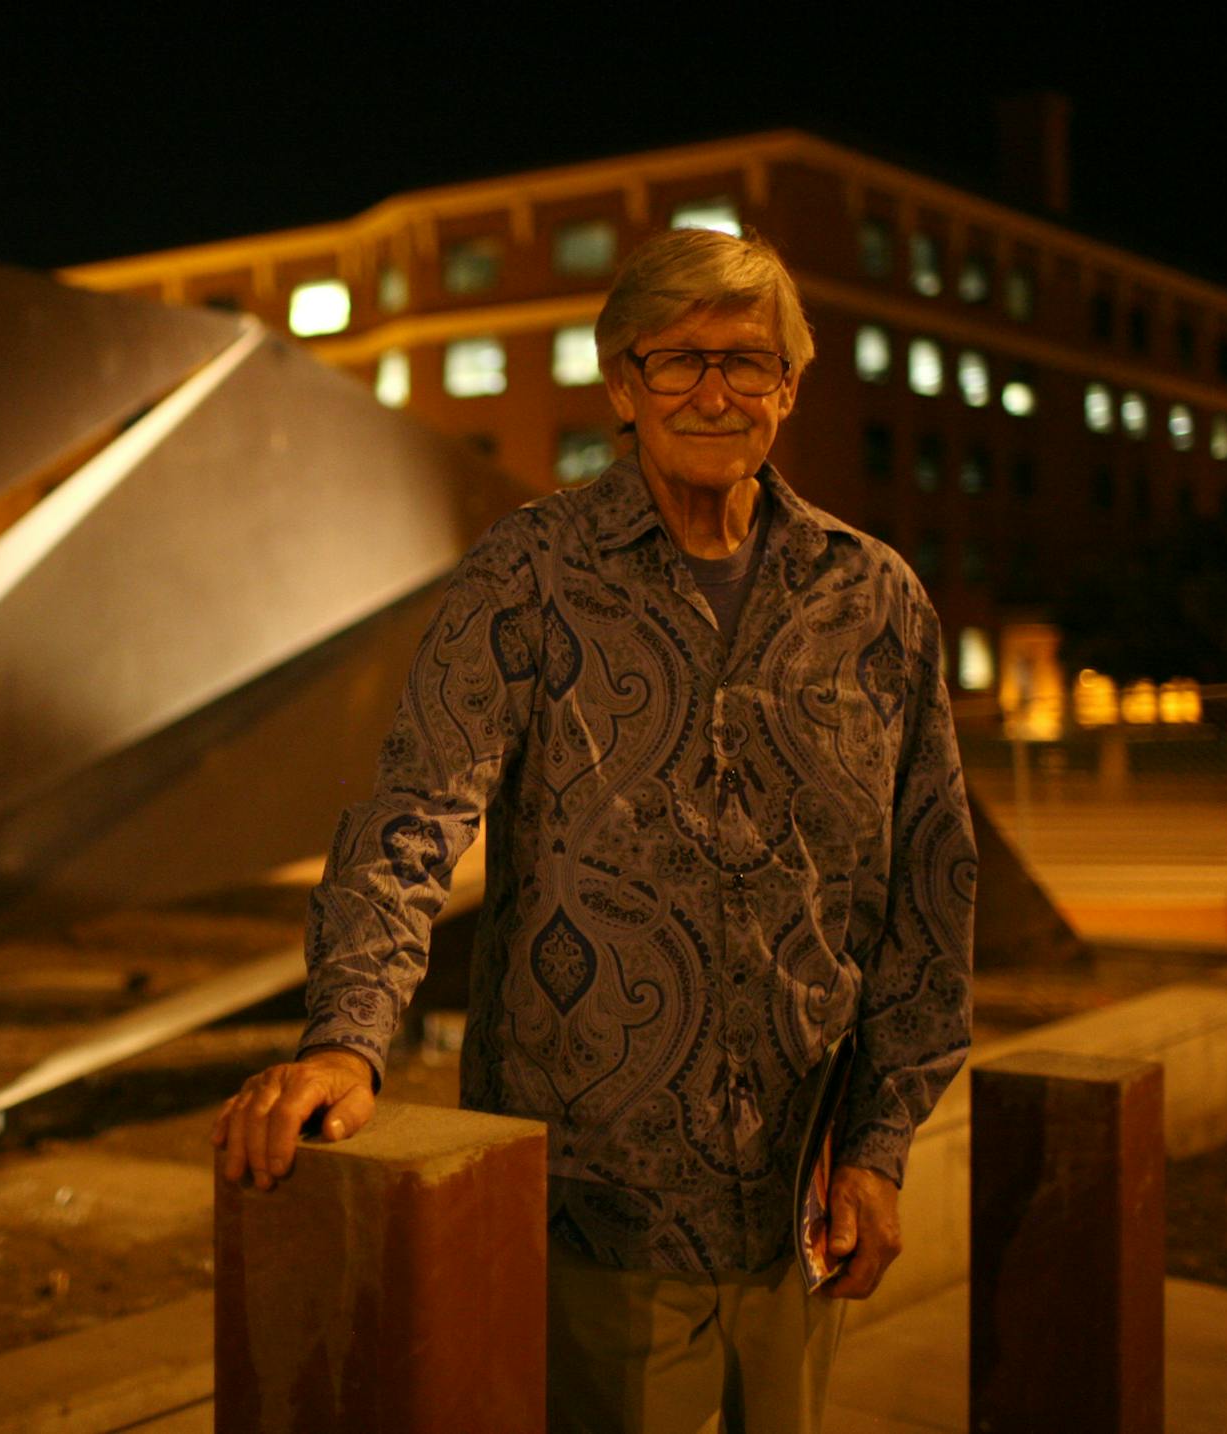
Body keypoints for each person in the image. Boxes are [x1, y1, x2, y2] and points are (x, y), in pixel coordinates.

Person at [211, 226, 976, 1434]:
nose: (713, 391)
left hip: (802, 1205)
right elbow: (415, 809)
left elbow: (930, 885)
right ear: (621, 386)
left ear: (790, 383)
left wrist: (881, 1147)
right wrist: (345, 1039)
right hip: (591, 1212)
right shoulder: (532, 571)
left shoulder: (874, 598)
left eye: (746, 360)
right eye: (675, 360)